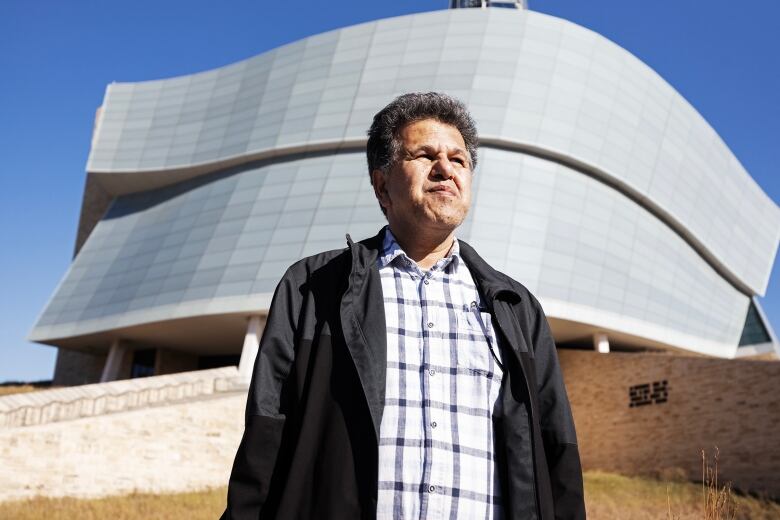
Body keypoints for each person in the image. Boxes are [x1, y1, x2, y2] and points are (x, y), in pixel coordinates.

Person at [222, 92, 585, 520]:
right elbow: (266, 438)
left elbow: (556, 450)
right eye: (425, 155)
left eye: (459, 160)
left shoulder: (515, 307)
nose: (446, 169)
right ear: (381, 185)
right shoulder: (313, 289)